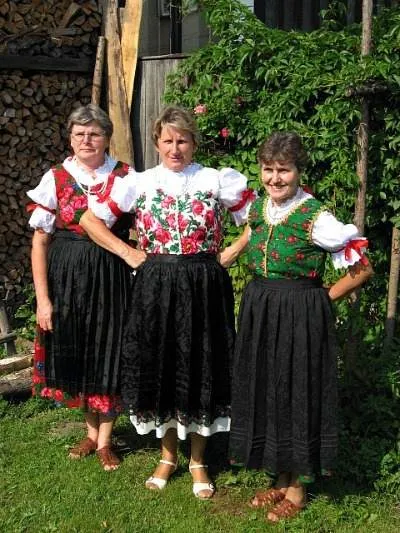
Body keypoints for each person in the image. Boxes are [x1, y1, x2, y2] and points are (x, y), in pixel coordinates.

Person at [80, 106, 254, 498]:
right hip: (156, 284)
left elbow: (257, 217)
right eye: (168, 140)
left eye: (183, 140)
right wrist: (128, 253)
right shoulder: (138, 182)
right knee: (163, 364)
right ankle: (166, 454)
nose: (175, 148)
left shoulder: (214, 180)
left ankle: (198, 459)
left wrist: (231, 252)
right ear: (156, 142)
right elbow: (90, 221)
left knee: (200, 362)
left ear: (193, 143)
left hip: (203, 283)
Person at [228, 132, 373, 522]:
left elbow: (362, 269)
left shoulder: (317, 217)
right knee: (268, 389)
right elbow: (249, 236)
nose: (275, 178)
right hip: (261, 310)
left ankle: (297, 490)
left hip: (299, 314)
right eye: (268, 170)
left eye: (284, 171)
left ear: (298, 171)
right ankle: (279, 477)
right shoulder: (257, 209)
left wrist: (323, 298)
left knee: (295, 391)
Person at [27, 104, 146, 471]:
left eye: (94, 133)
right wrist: (43, 300)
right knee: (78, 349)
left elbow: (142, 226)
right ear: (70, 138)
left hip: (112, 276)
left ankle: (106, 440)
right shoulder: (56, 178)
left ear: (107, 138)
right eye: (79, 134)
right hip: (67, 279)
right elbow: (39, 242)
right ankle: (90, 433)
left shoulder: (127, 176)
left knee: (108, 350)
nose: (86, 140)